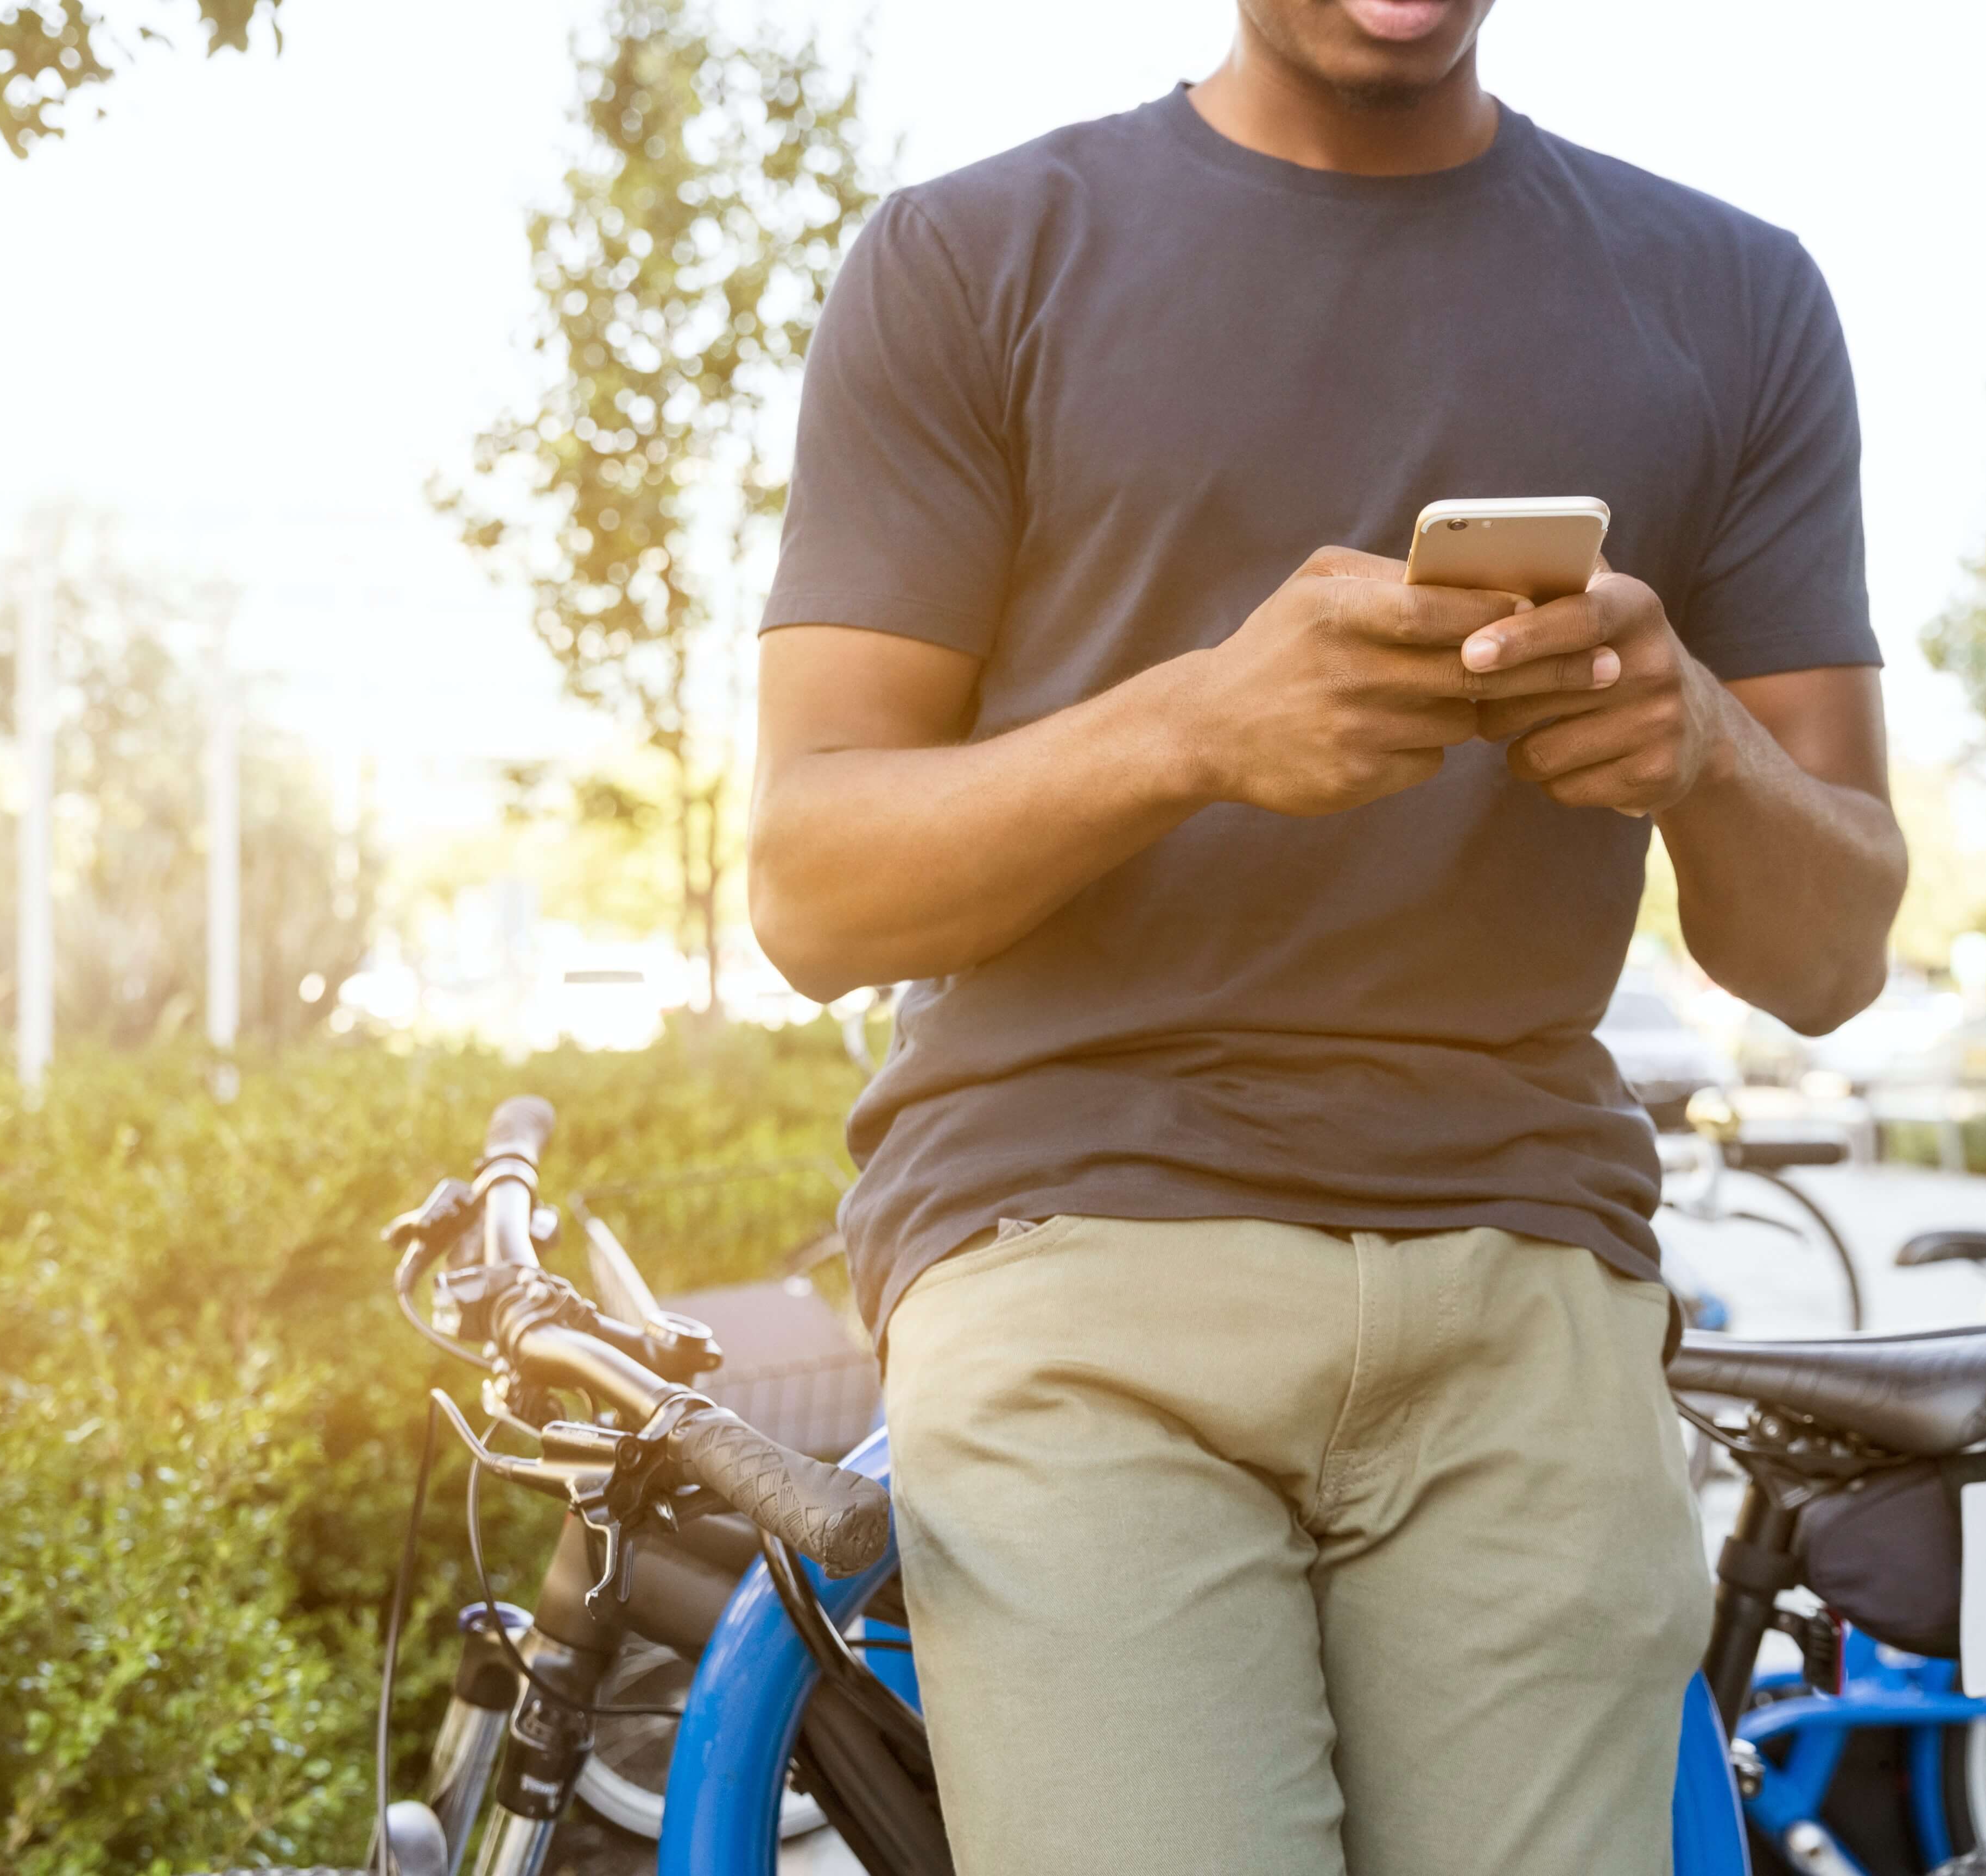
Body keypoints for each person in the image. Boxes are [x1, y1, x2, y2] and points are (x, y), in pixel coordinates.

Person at [746, 0, 1906, 1868]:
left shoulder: (1734, 295)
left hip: (1529, 1279)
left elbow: (1829, 955)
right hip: (1077, 1251)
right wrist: (1191, 729)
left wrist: (1701, 745)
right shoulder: (971, 258)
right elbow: (810, 891)